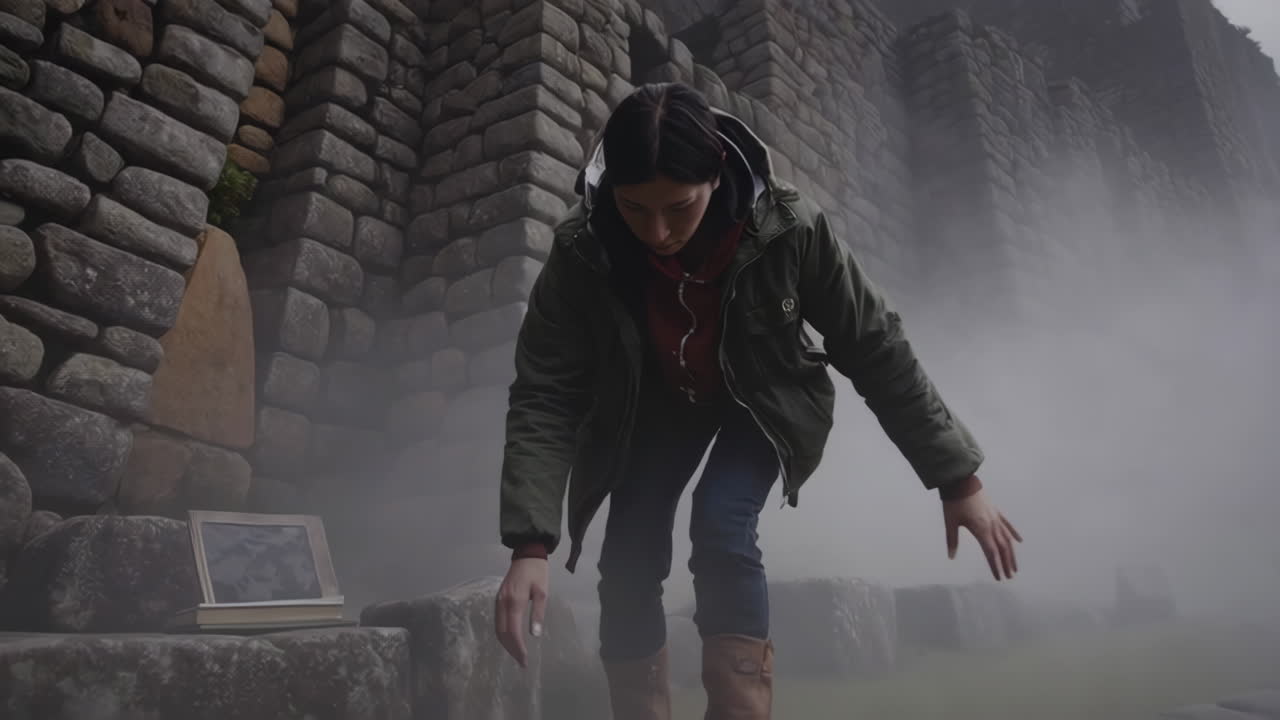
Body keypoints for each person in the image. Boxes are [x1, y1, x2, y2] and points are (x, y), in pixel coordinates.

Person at [493, 82, 1023, 720]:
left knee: (721, 524)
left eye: (678, 208)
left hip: (763, 401)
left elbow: (873, 342)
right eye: (634, 208)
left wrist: (958, 478)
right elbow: (546, 387)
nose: (657, 232)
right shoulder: (584, 247)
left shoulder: (790, 227)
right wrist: (530, 546)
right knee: (628, 555)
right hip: (657, 403)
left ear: (715, 177)